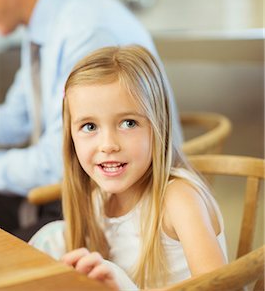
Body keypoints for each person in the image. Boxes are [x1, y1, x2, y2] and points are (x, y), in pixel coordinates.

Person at [0, 0, 183, 241]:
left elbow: (57, 164)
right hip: (71, 191)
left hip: (102, 201)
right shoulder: (43, 30)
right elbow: (13, 121)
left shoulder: (84, 32)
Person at [29, 45, 227, 290]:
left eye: (128, 123)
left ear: (159, 126)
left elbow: (224, 287)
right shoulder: (98, 199)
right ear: (71, 137)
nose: (108, 145)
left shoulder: (178, 200)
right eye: (90, 127)